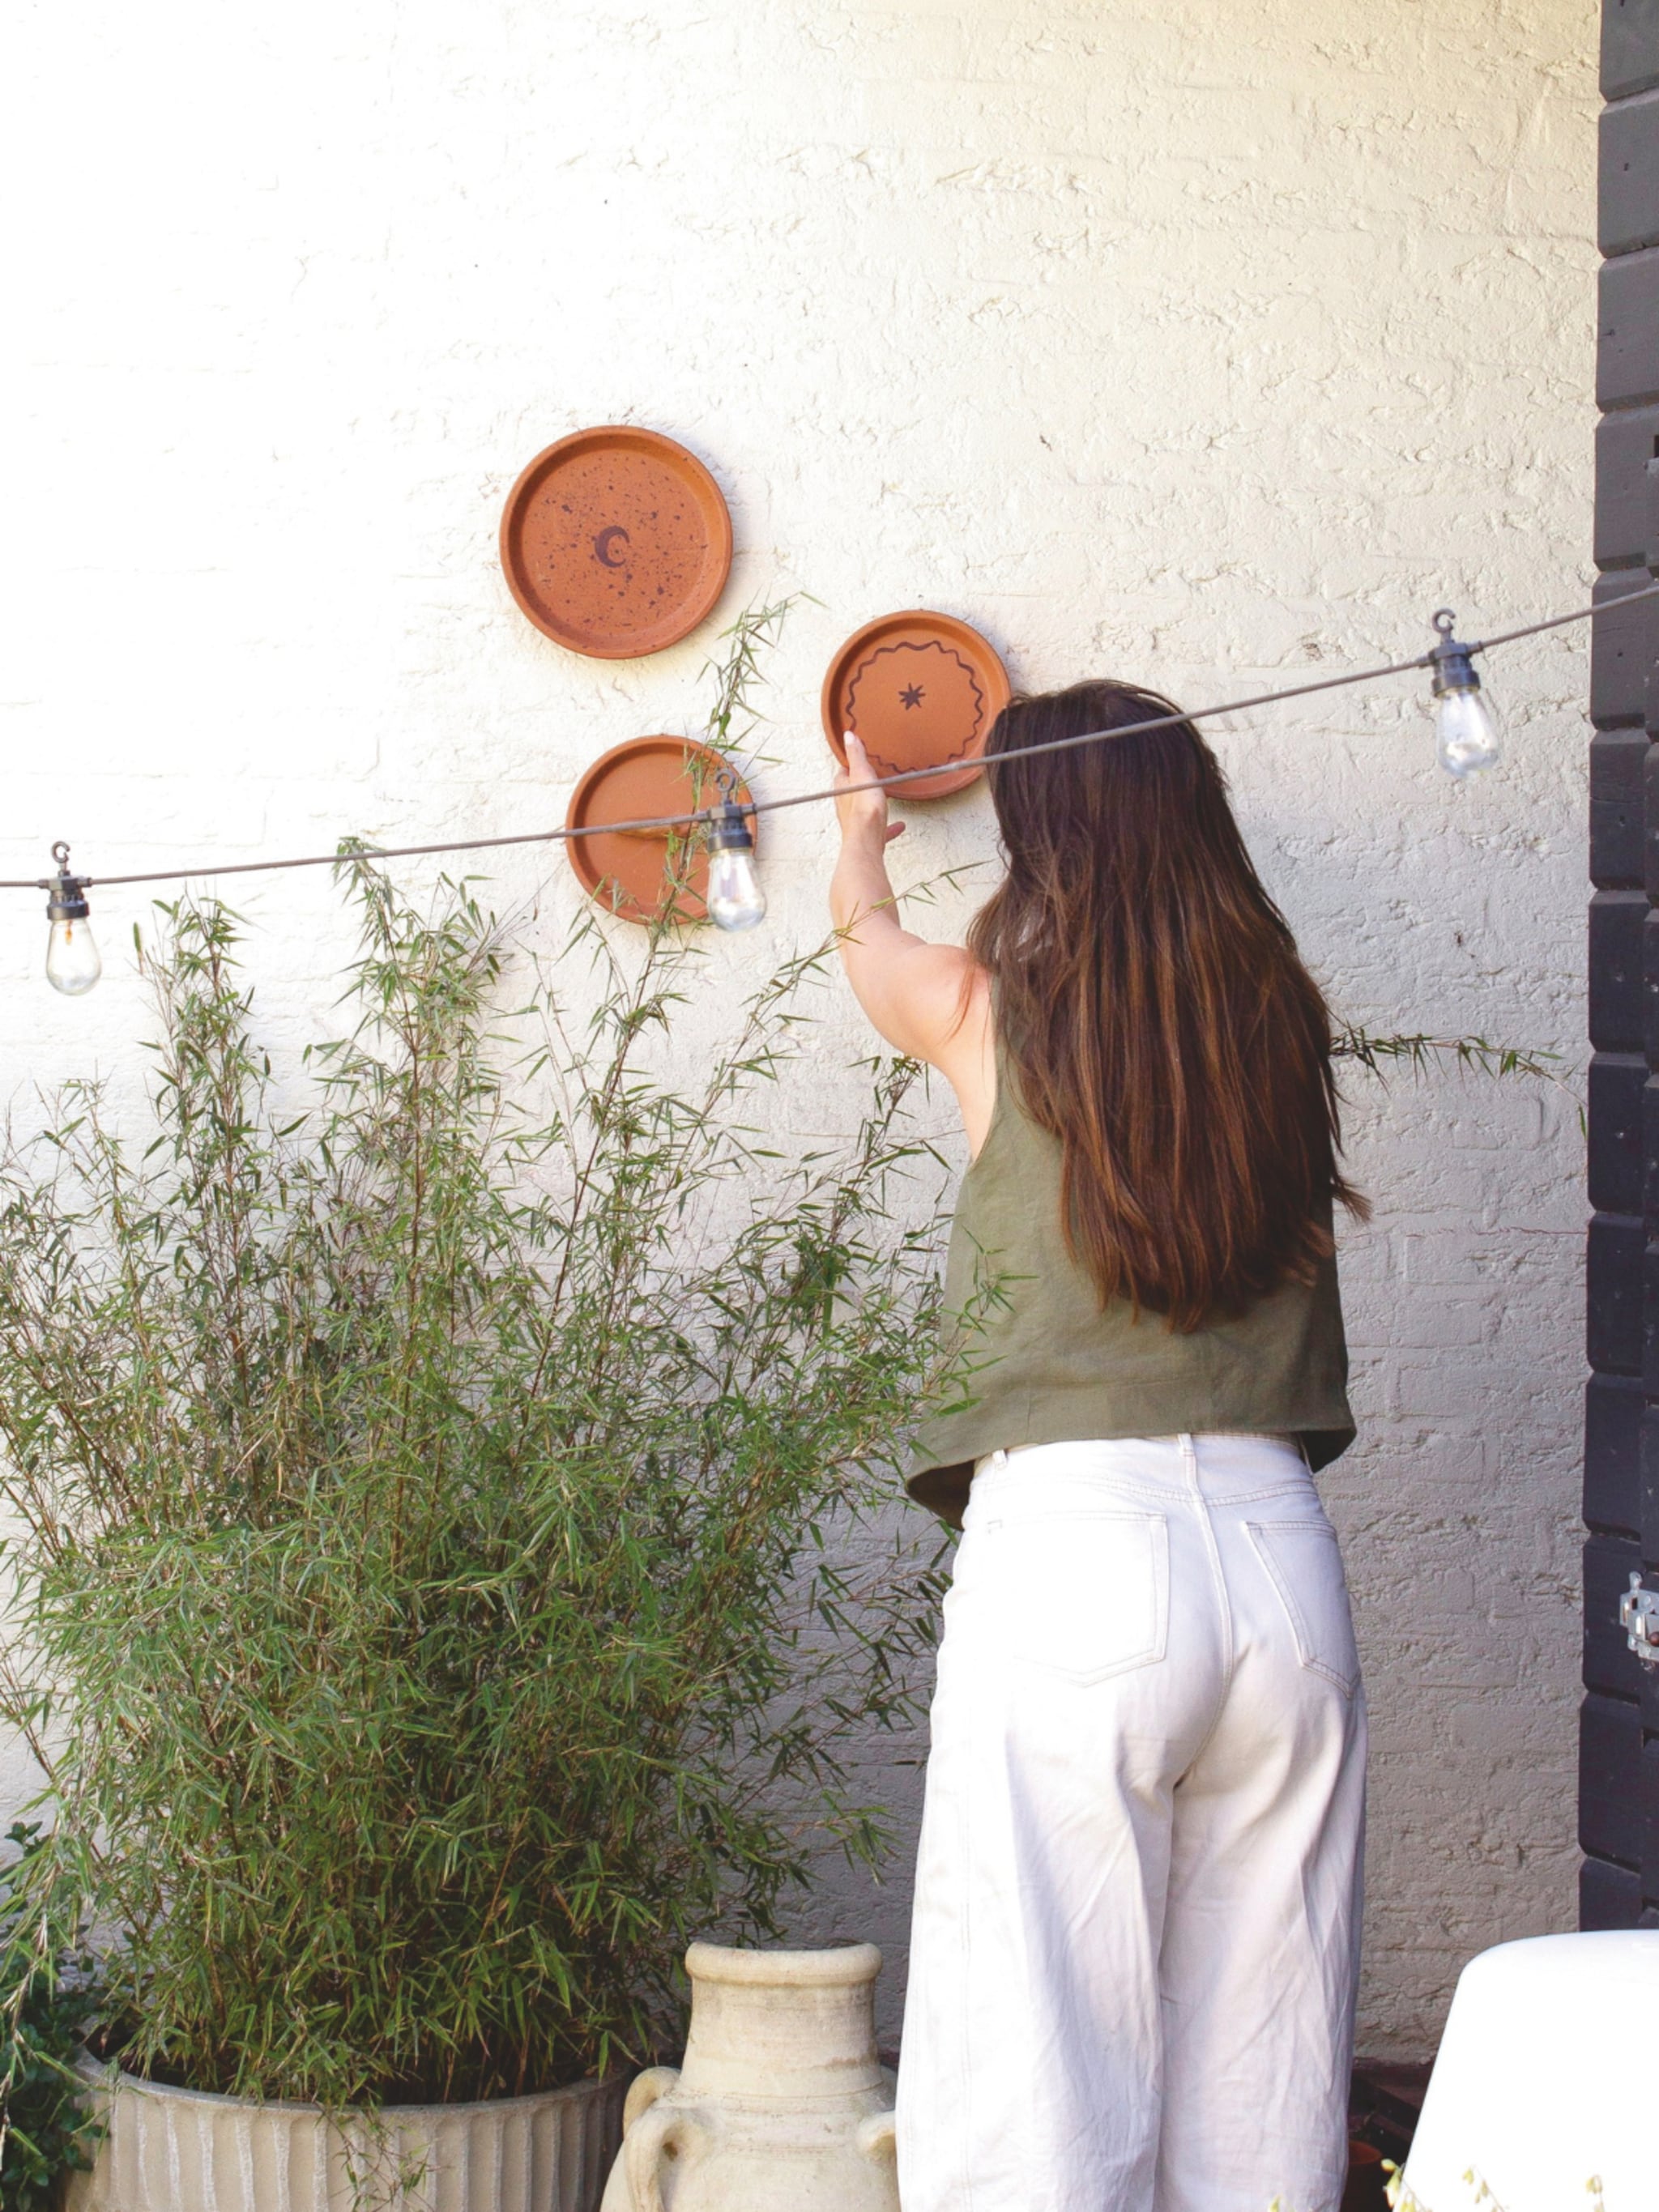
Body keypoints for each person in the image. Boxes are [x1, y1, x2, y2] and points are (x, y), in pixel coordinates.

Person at [830, 684, 1368, 2212]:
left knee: (1036, 2064)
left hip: (1076, 1557)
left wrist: (863, 839)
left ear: (1040, 833)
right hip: (1277, 1568)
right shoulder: (1276, 1017)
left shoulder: (985, 1011)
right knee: (1267, 2052)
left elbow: (866, 944)